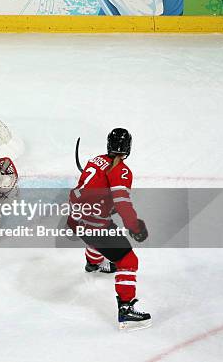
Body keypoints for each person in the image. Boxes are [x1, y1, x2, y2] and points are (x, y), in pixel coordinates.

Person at [68, 128, 151, 330]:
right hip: (93, 223)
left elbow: (86, 189)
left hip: (74, 218)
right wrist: (135, 226)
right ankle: (126, 308)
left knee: (101, 232)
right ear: (128, 148)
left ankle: (93, 263)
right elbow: (122, 202)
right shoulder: (121, 170)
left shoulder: (96, 160)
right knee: (128, 260)